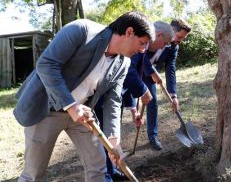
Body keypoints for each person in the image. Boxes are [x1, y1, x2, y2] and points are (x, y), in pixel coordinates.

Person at [13, 11, 155, 182]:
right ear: (129, 32)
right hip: (47, 109)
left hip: (83, 114)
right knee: (33, 174)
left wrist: (114, 140)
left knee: (98, 167)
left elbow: (113, 100)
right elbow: (47, 64)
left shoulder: (123, 63)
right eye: (142, 43)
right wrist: (71, 105)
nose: (142, 50)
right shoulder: (81, 31)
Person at [95, 21, 174, 181]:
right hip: (100, 97)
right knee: (103, 137)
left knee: (109, 137)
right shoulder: (137, 45)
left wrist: (133, 110)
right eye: (163, 43)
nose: (161, 48)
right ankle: (106, 175)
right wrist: (143, 90)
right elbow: (129, 70)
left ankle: (111, 171)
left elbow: (128, 79)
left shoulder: (142, 48)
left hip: (115, 95)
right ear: (158, 35)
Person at [143, 19, 191, 150]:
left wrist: (173, 94)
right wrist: (151, 71)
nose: (180, 40)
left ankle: (152, 136)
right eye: (179, 36)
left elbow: (171, 69)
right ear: (171, 30)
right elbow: (140, 55)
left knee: (152, 102)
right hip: (133, 70)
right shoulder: (151, 35)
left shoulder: (174, 47)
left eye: (183, 38)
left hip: (149, 76)